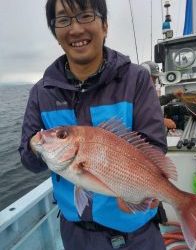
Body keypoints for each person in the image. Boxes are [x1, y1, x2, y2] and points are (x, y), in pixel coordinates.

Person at [19, 1, 167, 249]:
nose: (75, 29)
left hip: (138, 234)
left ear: (105, 25)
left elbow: (154, 144)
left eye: (85, 16)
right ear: (56, 34)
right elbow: (28, 159)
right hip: (77, 237)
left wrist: (136, 189)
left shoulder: (136, 79)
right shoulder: (41, 93)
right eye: (64, 20)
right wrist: (36, 147)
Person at [141, 61, 184, 130]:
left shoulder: (145, 92)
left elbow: (155, 102)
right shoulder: (134, 93)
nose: (155, 82)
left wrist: (173, 95)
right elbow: (136, 116)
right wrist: (161, 121)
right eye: (154, 78)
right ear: (144, 76)